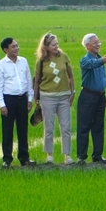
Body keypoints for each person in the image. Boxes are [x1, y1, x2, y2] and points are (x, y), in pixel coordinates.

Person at [34, 33, 75, 164]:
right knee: (49, 127)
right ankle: (49, 155)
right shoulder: (41, 61)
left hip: (64, 97)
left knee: (66, 127)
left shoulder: (63, 56)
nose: (56, 46)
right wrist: (36, 97)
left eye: (57, 44)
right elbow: (37, 80)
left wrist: (72, 91)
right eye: (53, 45)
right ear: (45, 47)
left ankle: (67, 155)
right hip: (47, 97)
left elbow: (70, 76)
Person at [0, 38, 36, 168]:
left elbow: (29, 81)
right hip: (8, 100)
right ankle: (7, 159)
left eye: (17, 45)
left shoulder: (23, 61)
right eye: (13, 47)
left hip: (22, 98)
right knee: (7, 130)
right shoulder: (1, 65)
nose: (17, 48)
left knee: (23, 129)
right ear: (6, 50)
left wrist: (29, 99)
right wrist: (2, 104)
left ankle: (24, 158)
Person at [76, 33, 106, 165]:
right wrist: (101, 61)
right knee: (84, 126)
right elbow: (90, 64)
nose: (98, 44)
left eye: (98, 42)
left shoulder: (100, 59)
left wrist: (103, 95)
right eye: (95, 43)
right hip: (88, 96)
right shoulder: (85, 60)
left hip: (100, 96)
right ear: (87, 46)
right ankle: (81, 156)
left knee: (98, 126)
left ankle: (97, 155)